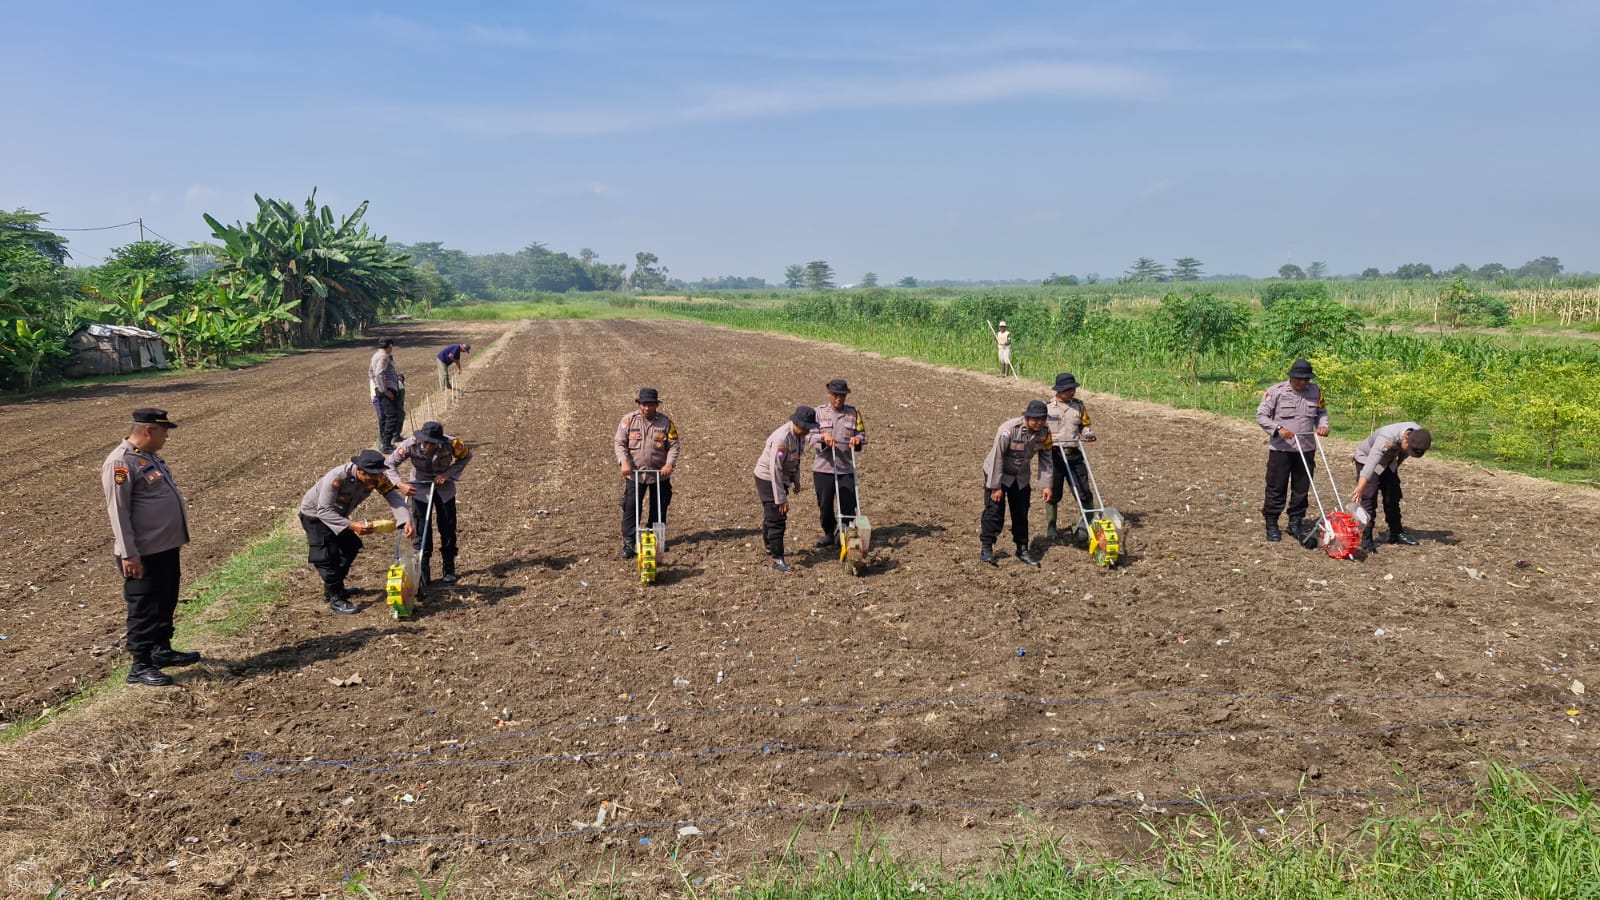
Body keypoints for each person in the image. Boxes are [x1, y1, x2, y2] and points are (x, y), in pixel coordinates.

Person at [101, 408, 196, 687]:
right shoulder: (121, 462)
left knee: (165, 600)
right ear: (149, 431)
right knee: (143, 607)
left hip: (164, 547)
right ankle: (140, 665)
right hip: (141, 553)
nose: (167, 436)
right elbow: (118, 512)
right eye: (164, 431)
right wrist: (129, 553)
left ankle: (161, 650)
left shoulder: (149, 457)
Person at [299, 449, 413, 614]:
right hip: (315, 516)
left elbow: (393, 497)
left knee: (350, 547)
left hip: (338, 516)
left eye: (380, 474)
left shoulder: (377, 477)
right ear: (360, 471)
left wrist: (405, 520)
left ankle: (333, 589)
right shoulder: (337, 478)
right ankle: (337, 599)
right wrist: (352, 525)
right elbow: (323, 511)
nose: (379, 479)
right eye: (374, 476)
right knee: (327, 557)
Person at [386, 421, 472, 585]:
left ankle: (449, 567)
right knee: (421, 529)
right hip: (420, 488)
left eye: (432, 444)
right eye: (425, 442)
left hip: (444, 489)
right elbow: (389, 464)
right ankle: (423, 570)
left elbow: (467, 456)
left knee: (447, 526)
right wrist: (399, 484)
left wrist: (448, 474)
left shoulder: (453, 444)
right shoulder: (410, 444)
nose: (427, 446)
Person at [1256, 358, 1330, 543]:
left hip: (1306, 448)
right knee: (1276, 486)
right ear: (1291, 377)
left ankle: (1295, 522)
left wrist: (1323, 426)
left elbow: (1322, 412)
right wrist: (1279, 429)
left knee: (1301, 488)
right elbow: (1261, 415)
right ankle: (1272, 523)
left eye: (1306, 379)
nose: (1302, 383)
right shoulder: (1276, 392)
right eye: (1298, 379)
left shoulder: (1316, 392)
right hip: (1281, 449)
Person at [980, 399, 1055, 566]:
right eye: (1035, 419)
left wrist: (1047, 485)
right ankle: (986, 549)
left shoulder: (1044, 433)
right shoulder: (1008, 430)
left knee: (1021, 513)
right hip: (997, 473)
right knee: (994, 512)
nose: (1039, 423)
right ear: (1026, 417)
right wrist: (996, 487)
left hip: (1020, 477)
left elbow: (1046, 458)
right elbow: (997, 458)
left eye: (1043, 419)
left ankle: (1022, 549)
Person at [615, 387, 680, 559]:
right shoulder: (628, 421)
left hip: (659, 474)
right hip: (635, 474)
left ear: (656, 405)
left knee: (659, 507)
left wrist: (669, 464)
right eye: (643, 405)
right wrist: (624, 462)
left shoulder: (665, 423)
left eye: (650, 405)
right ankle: (629, 542)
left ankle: (655, 539)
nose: (646, 408)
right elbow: (620, 444)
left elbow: (673, 445)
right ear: (639, 404)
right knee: (631, 506)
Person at [1349, 423, 1432, 552]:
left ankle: (1396, 533)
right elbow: (1371, 464)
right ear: (1405, 439)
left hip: (1388, 461)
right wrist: (1360, 488)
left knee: (1393, 495)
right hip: (1367, 459)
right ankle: (1366, 539)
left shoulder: (1418, 435)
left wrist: (1393, 470)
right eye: (1409, 449)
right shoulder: (1386, 437)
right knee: (1369, 498)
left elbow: (1403, 454)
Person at [754, 406, 819, 571]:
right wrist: (781, 499)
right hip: (768, 478)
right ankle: (777, 558)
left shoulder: (799, 435)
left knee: (772, 513)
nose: (807, 431)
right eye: (805, 427)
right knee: (777, 515)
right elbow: (775, 469)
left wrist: (796, 480)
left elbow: (795, 459)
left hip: (782, 477)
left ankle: (770, 546)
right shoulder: (782, 439)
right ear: (796, 422)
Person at [806, 378, 866, 548]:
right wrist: (823, 438)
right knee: (824, 505)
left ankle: (847, 533)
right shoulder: (818, 413)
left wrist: (856, 439)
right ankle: (828, 533)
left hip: (845, 468)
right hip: (823, 468)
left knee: (848, 504)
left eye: (842, 395)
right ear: (829, 394)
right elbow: (810, 437)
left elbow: (862, 435)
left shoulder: (854, 413)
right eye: (835, 395)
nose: (838, 398)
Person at [1044, 372, 1095, 540]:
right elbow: (1040, 429)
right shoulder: (1048, 408)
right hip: (1055, 455)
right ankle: (1051, 526)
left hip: (1074, 454)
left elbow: (1085, 425)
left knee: (1084, 491)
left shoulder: (1079, 406)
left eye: (1073, 389)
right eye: (1068, 390)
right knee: (1053, 492)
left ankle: (1088, 523)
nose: (1071, 392)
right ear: (1059, 390)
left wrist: (1088, 434)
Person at [370, 338, 405, 453]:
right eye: (392, 346)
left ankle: (385, 443)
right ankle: (386, 444)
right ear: (389, 345)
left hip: (381, 390)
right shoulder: (383, 357)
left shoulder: (376, 355)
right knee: (392, 416)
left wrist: (377, 386)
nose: (392, 348)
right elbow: (379, 374)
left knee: (385, 417)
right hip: (387, 390)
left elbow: (370, 372)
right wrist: (385, 390)